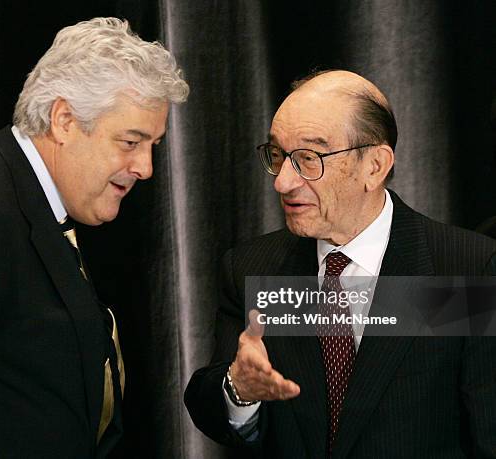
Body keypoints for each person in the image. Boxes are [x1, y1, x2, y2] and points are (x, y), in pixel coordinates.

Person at [0, 18, 188, 458]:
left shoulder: (36, 200)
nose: (145, 167)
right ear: (64, 119)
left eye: (152, 146)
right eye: (130, 141)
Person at [184, 70, 496, 457]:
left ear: (375, 166)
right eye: (278, 155)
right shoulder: (252, 268)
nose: (282, 182)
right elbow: (213, 407)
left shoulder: (464, 268)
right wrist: (239, 390)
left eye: (309, 159)